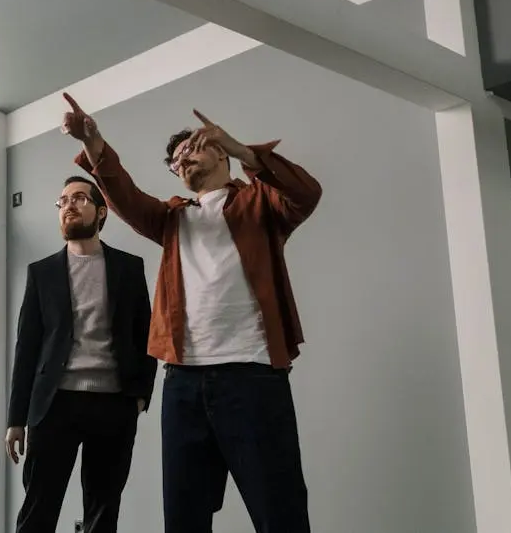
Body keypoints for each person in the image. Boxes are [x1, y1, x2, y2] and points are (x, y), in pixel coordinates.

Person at [63, 93, 322, 533]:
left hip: (253, 377)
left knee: (281, 514)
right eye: (175, 161)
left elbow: (305, 193)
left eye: (191, 150)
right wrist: (94, 142)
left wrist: (244, 151)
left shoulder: (261, 203)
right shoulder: (172, 218)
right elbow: (125, 198)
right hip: (183, 382)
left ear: (219, 150)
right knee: (183, 519)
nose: (182, 162)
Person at [6, 175, 157, 533]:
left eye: (79, 198)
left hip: (114, 404)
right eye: (62, 201)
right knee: (38, 508)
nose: (68, 205)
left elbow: (146, 334)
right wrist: (16, 417)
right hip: (53, 404)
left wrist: (139, 395)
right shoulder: (41, 272)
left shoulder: (129, 268)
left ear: (101, 212)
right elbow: (27, 346)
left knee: (103, 509)